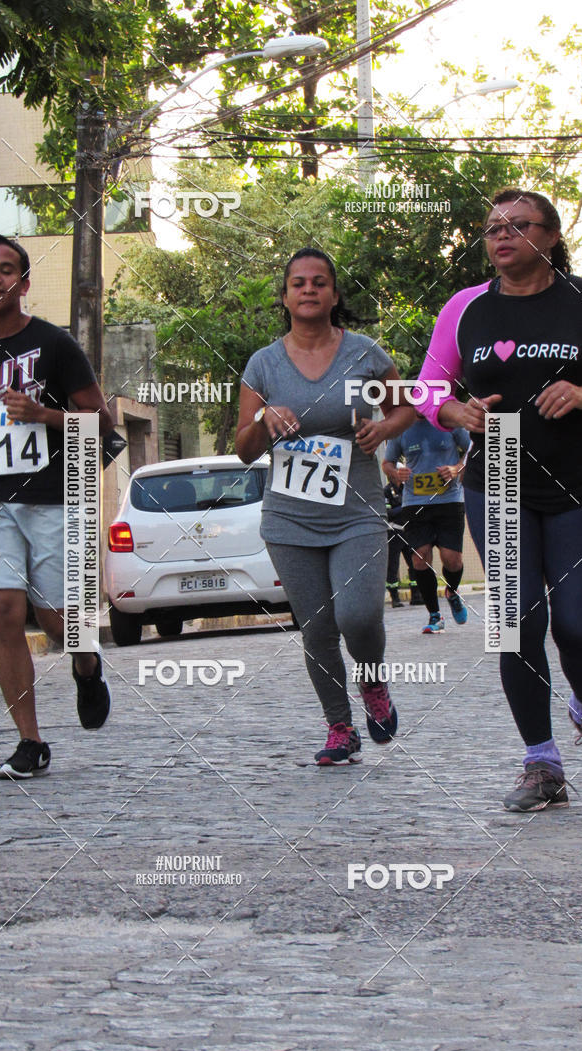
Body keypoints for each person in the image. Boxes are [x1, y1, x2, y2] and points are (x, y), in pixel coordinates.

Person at [415, 188, 582, 811]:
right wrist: (450, 408)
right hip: (499, 479)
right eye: (493, 227)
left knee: (580, 624)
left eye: (519, 225)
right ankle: (541, 764)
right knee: (519, 624)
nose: (502, 235)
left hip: (578, 480)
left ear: (550, 235)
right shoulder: (466, 309)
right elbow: (427, 384)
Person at [235, 247, 414, 766]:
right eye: (298, 283)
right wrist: (264, 420)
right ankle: (340, 726)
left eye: (319, 282)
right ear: (286, 296)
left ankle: (373, 682)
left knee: (358, 616)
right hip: (289, 518)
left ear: (334, 295)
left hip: (357, 511)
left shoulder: (365, 354)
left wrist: (383, 427)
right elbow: (243, 449)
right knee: (316, 628)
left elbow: (406, 408)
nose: (308, 289)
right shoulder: (262, 364)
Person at [0, 235, 113, 779]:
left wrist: (44, 416)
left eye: (5, 270)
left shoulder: (54, 344)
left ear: (23, 282)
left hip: (48, 496)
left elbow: (101, 423)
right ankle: (30, 742)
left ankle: (86, 668)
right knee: (2, 612)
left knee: (60, 621)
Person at [382, 415, 470, 632]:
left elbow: (472, 451)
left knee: (452, 560)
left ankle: (451, 591)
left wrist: (456, 469)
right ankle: (434, 616)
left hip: (449, 500)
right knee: (420, 558)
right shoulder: (401, 426)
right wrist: (395, 473)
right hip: (415, 502)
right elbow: (387, 463)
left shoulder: (449, 420)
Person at [383, 478, 424, 608]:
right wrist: (403, 508)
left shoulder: (408, 490)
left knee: (414, 563)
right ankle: (395, 597)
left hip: (409, 531)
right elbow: (386, 513)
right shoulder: (386, 491)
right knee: (393, 565)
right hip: (393, 532)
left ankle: (416, 595)